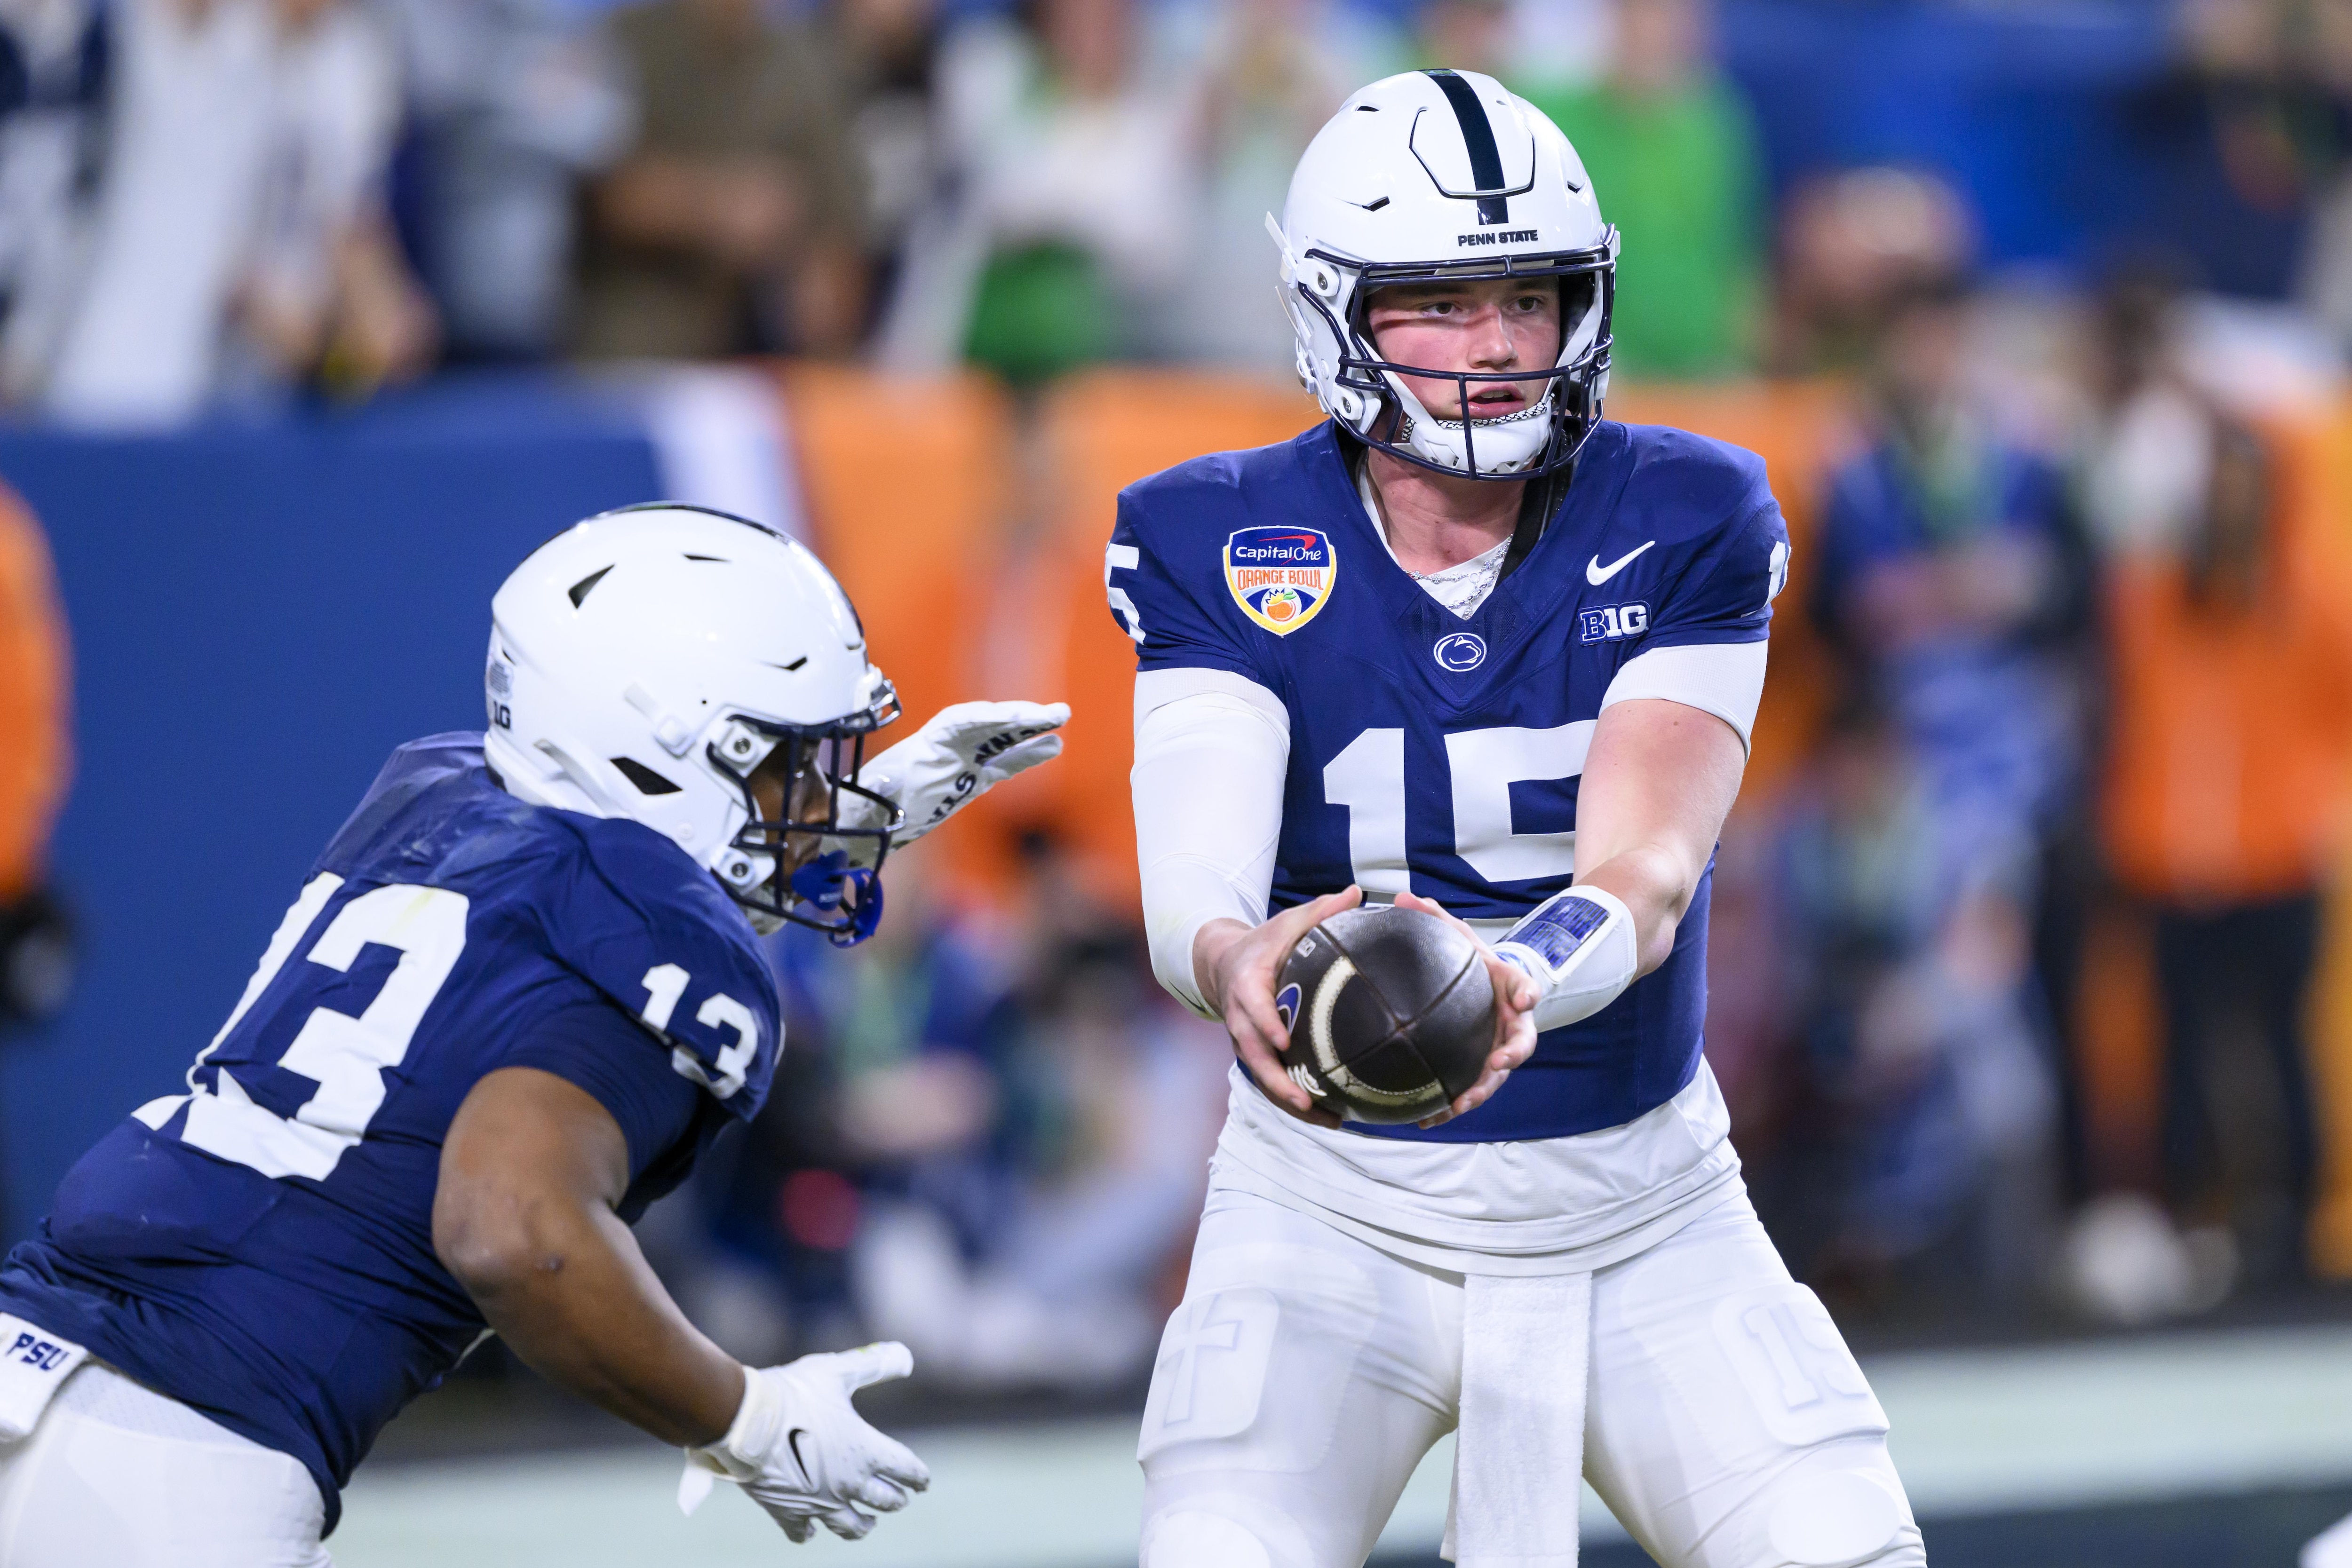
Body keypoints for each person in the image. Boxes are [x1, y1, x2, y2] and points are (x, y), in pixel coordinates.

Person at [1109, 70, 1923, 1568]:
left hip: (1644, 1209)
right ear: (1334, 313)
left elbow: (1651, 865)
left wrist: (1511, 979)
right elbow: (1198, 873)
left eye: (1529, 297)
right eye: (1441, 301)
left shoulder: (1687, 511)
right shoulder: (1215, 530)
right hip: (1329, 1216)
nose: (1496, 344)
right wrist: (1235, 958)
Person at [0, 504, 1069, 1564]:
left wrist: (850, 816)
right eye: (787, 763)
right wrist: (744, 1417)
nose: (817, 793)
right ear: (671, 748)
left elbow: (578, 909)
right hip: (184, 1464)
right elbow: (509, 1228)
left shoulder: (440, 795)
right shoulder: (665, 946)